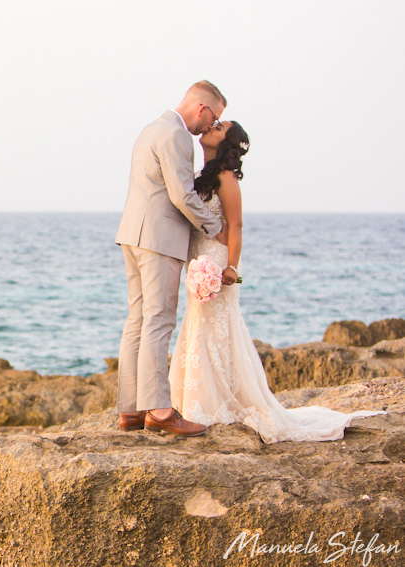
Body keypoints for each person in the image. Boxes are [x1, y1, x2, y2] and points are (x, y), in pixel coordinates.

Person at [167, 120, 384, 443]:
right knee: (198, 326)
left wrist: (231, 267)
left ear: (227, 141)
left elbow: (237, 225)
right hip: (199, 260)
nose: (212, 126)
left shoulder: (226, 177)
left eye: (219, 125)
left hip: (216, 262)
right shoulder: (204, 176)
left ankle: (215, 403)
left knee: (215, 328)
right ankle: (193, 400)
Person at [114, 81, 228, 436]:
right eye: (213, 119)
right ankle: (161, 411)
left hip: (133, 234)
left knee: (137, 319)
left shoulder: (151, 129)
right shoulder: (177, 136)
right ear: (202, 108)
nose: (209, 128)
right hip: (159, 240)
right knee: (159, 321)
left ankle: (130, 411)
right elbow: (181, 194)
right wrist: (214, 226)